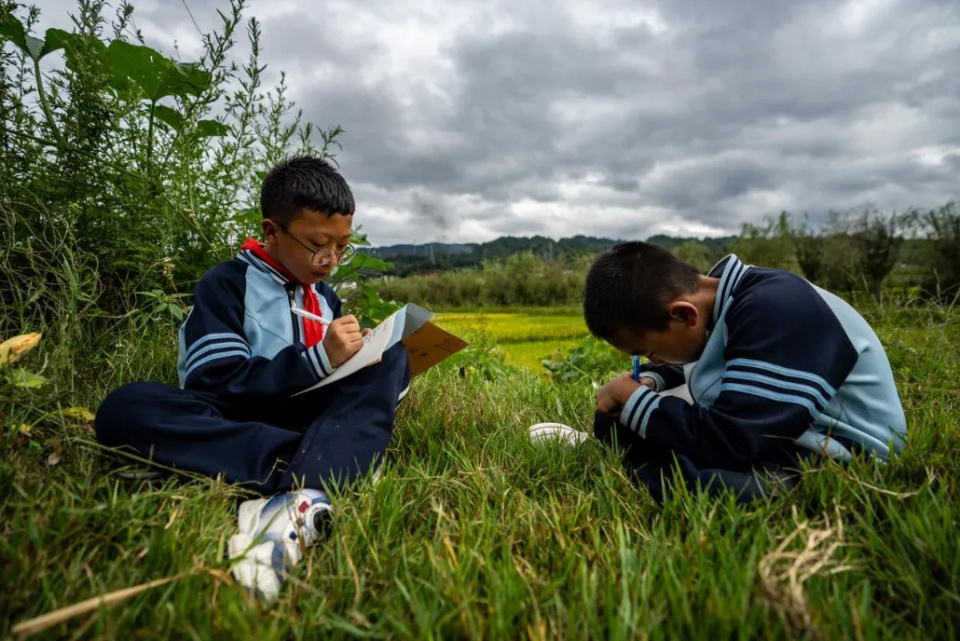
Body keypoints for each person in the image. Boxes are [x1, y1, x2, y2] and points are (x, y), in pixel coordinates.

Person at [95, 156, 411, 599]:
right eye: (319, 244)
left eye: (342, 247)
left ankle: (302, 483)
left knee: (392, 355)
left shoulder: (325, 298)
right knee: (127, 407)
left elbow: (347, 375)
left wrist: (362, 357)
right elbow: (215, 380)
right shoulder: (228, 283)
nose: (331, 260)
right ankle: (330, 470)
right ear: (272, 232)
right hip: (236, 415)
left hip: (308, 413)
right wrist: (318, 358)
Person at [580, 241, 907, 503]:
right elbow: (717, 361)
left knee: (708, 484)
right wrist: (652, 378)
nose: (655, 359)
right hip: (775, 430)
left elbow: (735, 442)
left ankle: (644, 466)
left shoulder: (778, 308)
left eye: (649, 352)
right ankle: (645, 460)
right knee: (614, 418)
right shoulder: (727, 304)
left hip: (838, 453)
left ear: (683, 315)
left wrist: (636, 399)